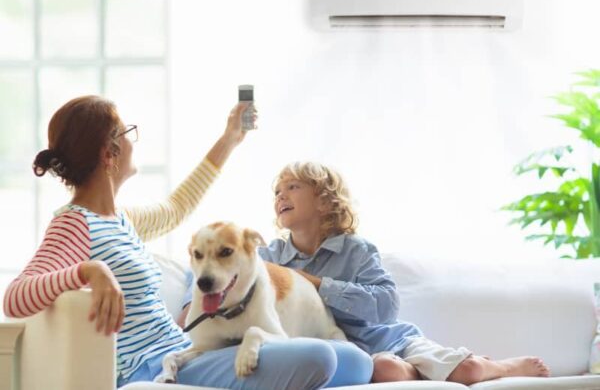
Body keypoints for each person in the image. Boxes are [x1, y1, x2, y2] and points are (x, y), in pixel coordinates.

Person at [2, 96, 373, 390]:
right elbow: (16, 297)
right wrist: (89, 270)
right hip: (154, 367)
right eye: (127, 131)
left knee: (358, 361)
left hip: (186, 352)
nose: (134, 140)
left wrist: (230, 138)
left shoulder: (120, 220)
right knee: (320, 359)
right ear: (108, 153)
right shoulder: (74, 224)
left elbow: (177, 207)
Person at [259, 161, 551, 384]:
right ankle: (433, 372)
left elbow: (386, 305)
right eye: (277, 191)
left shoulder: (356, 250)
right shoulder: (269, 258)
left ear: (324, 201)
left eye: (292, 187)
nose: (280, 195)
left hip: (390, 340)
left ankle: (502, 366)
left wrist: (320, 285)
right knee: (386, 369)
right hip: (357, 355)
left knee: (469, 370)